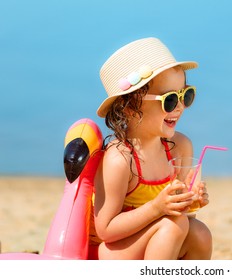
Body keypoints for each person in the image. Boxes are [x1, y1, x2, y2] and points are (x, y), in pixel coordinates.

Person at [88, 37, 212, 260]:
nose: (181, 107)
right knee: (173, 225)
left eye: (186, 95)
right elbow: (106, 229)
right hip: (116, 251)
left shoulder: (180, 147)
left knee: (200, 233)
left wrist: (190, 201)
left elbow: (183, 216)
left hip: (162, 235)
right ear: (130, 107)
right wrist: (157, 208)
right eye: (170, 100)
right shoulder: (120, 159)